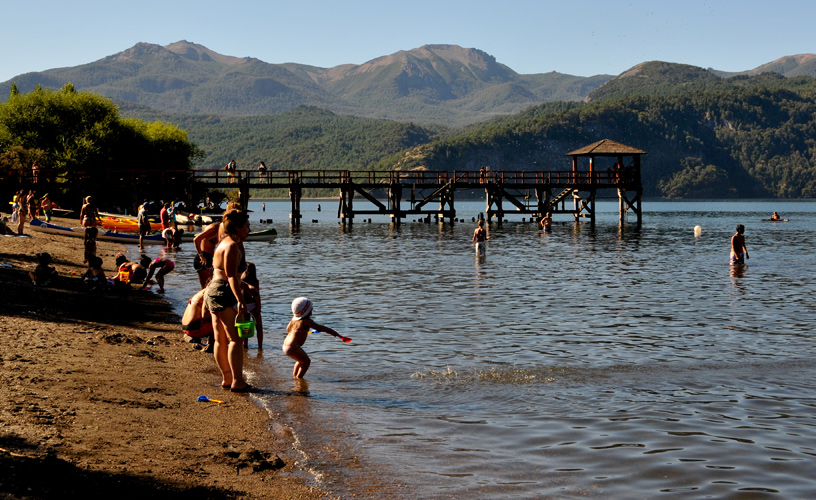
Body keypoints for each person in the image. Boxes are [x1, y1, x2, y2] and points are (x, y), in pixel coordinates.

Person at [204, 208, 256, 392]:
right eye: (247, 227)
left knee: (220, 340)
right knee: (236, 340)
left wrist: (244, 287)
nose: (249, 230)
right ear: (237, 228)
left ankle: (227, 378)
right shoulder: (233, 245)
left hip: (212, 289)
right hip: (223, 291)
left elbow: (221, 273)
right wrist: (240, 300)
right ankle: (238, 381)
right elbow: (232, 276)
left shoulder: (222, 242)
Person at [283, 297, 343, 379]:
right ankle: (299, 378)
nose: (312, 309)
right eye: (311, 308)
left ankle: (295, 377)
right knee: (306, 362)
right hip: (293, 347)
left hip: (285, 346)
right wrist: (332, 332)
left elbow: (288, 329)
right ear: (307, 310)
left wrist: (300, 331)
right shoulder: (306, 321)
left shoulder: (293, 320)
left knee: (300, 361)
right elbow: (320, 327)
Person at [240, 262, 264, 349]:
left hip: (245, 306)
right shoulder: (255, 281)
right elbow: (257, 295)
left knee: (245, 328)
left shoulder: (241, 280)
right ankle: (260, 347)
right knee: (259, 328)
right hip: (254, 305)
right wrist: (259, 307)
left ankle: (245, 346)